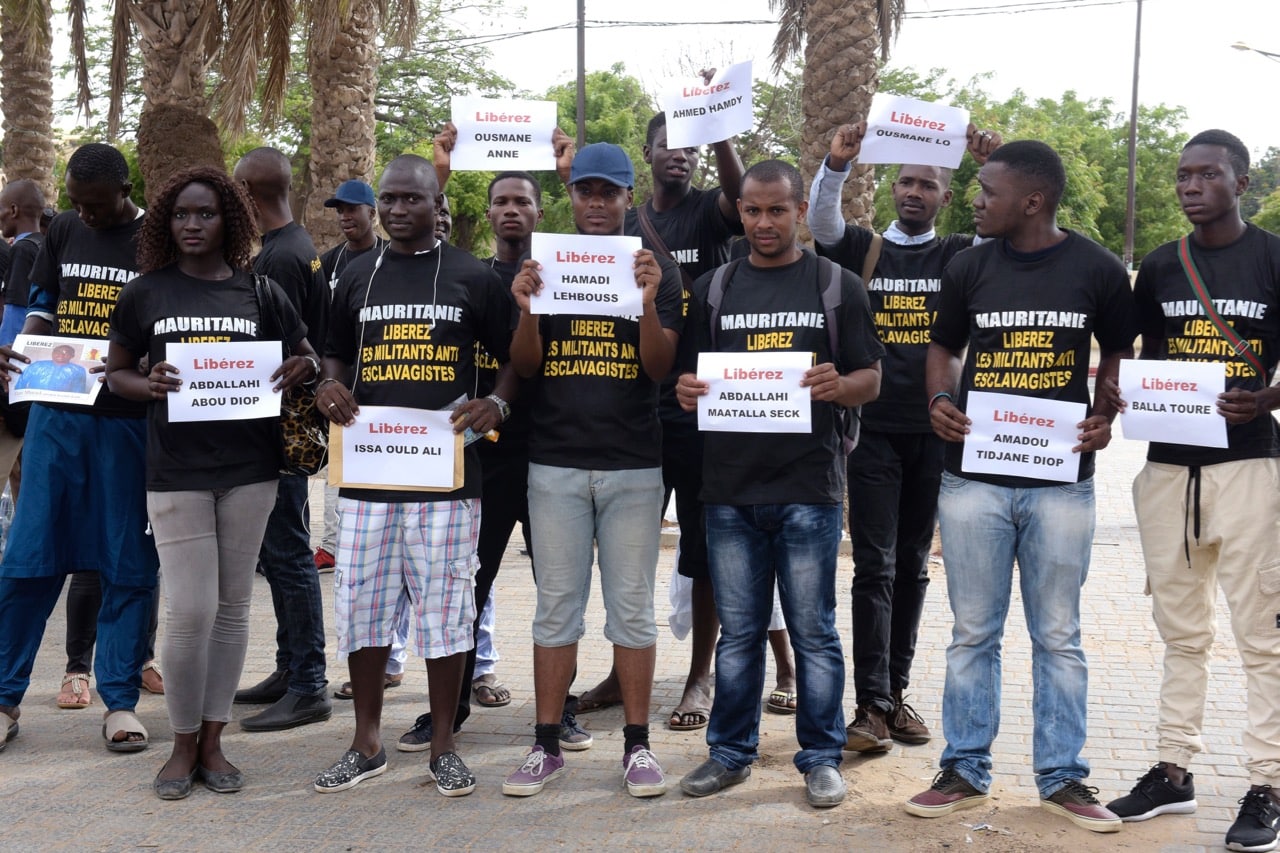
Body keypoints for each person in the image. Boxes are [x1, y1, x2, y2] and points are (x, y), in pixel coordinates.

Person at [904, 140, 1137, 833]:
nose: (975, 199)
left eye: (987, 190)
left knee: (1058, 635)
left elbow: (1118, 353)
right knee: (973, 632)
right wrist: (939, 400)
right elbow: (941, 348)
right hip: (973, 480)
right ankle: (965, 768)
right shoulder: (968, 265)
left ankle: (1063, 777)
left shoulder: (1096, 267)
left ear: (1032, 201)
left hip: (1061, 483)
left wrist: (1103, 415)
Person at [105, 165, 318, 799]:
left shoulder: (259, 292)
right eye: (180, 215)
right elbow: (116, 375)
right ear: (165, 223)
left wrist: (298, 368)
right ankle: (180, 742)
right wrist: (151, 385)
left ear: (231, 219)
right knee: (189, 610)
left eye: (205, 214)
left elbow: (303, 352)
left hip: (250, 472)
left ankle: (215, 741)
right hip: (175, 471)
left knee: (231, 611)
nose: (192, 225)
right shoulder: (146, 292)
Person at [675, 159, 882, 808]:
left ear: (800, 213)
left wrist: (839, 384)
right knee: (738, 634)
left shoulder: (834, 284)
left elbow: (871, 378)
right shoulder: (714, 287)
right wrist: (686, 390)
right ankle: (730, 753)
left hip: (809, 490)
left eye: (777, 210)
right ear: (739, 211)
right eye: (752, 210)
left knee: (814, 630)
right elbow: (690, 379)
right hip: (729, 491)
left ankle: (820, 758)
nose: (764, 222)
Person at [312, 154, 514, 797]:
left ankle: (444, 745)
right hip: (369, 474)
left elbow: (515, 356)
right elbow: (335, 349)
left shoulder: (472, 276)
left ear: (438, 205)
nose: (398, 211)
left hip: (448, 476)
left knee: (448, 609)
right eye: (389, 200)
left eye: (411, 200)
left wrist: (497, 403)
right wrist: (330, 384)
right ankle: (366, 742)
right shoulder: (354, 274)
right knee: (364, 608)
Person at [1103, 130, 1280, 853]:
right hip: (1169, 469)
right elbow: (1135, 355)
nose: (1191, 184)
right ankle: (1173, 772)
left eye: (1208, 174)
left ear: (1241, 183)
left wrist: (1268, 396)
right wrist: (1113, 389)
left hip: (1250, 469)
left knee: (1262, 636)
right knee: (1182, 633)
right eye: (1183, 175)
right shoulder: (1160, 264)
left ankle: (1268, 783)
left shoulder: (1272, 256)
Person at [809, 120, 1000, 751]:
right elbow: (821, 223)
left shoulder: (958, 257)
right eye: (907, 181)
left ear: (948, 196)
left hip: (938, 433)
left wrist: (986, 163)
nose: (915, 191)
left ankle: (897, 695)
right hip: (871, 432)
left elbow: (993, 227)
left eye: (929, 184)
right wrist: (837, 165)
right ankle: (870, 704)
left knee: (915, 565)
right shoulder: (863, 249)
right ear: (892, 187)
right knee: (874, 565)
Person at [502, 142, 682, 798]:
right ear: (570, 197)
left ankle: (638, 747)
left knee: (631, 610)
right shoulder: (542, 263)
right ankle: (546, 744)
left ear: (629, 197)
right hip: (553, 464)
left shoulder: (652, 266)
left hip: (633, 465)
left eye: (610, 192)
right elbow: (524, 366)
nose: (598, 203)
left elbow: (660, 367)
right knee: (557, 609)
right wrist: (525, 308)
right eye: (587, 191)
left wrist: (650, 301)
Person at [574, 105, 751, 729]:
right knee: (630, 552)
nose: (680, 154)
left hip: (704, 400)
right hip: (638, 401)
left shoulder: (710, 208)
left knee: (702, 548)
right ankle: (625, 669)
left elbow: (739, 192)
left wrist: (718, 126)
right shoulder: (622, 223)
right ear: (645, 156)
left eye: (690, 148)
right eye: (667, 145)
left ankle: (700, 675)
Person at [0, 143, 159, 755]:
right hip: (56, 414)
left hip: (125, 420)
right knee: (29, 556)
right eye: (76, 203)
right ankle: (6, 697)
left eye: (96, 205)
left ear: (124, 191)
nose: (84, 214)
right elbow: (44, 308)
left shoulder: (157, 241)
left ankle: (119, 702)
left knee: (126, 562)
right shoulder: (63, 229)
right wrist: (23, 350)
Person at [231, 147, 331, 732]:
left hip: (281, 432)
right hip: (280, 428)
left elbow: (277, 351)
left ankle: (308, 683)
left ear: (246, 191)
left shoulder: (280, 260)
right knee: (279, 554)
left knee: (290, 556)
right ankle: (288, 665)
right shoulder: (293, 248)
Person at [13, 344, 87, 392]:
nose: (61, 354)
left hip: (62, 405)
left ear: (72, 355)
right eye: (57, 352)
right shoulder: (37, 365)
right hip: (34, 402)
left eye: (65, 352)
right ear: (52, 353)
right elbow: (21, 383)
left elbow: (78, 391)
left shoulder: (78, 370)